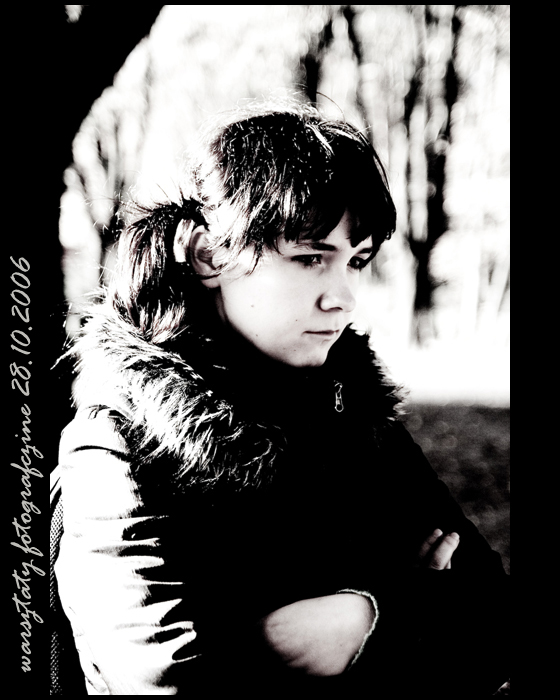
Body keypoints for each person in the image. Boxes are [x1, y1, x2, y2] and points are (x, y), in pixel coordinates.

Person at [52, 102, 510, 696]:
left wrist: (365, 618)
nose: (343, 297)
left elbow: (494, 623)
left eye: (357, 261)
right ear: (209, 255)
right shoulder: (118, 448)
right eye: (310, 258)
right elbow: (166, 686)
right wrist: (414, 607)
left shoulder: (357, 418)